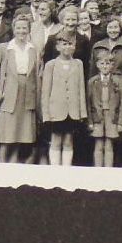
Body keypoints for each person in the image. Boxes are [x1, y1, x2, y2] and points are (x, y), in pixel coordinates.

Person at [0, 16, 40, 163]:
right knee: (7, 130)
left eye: (24, 28)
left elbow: (36, 74)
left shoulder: (33, 49)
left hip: (27, 92)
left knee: (21, 130)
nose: (21, 31)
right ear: (13, 29)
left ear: (29, 30)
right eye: (18, 28)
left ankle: (14, 161)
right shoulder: (4, 48)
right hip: (9, 92)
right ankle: (2, 161)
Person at [40, 33, 87, 166]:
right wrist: (46, 114)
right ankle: (55, 171)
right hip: (56, 110)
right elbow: (45, 92)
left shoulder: (78, 64)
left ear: (74, 46)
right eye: (64, 44)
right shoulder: (51, 65)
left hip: (72, 111)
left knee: (68, 141)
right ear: (57, 47)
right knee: (56, 140)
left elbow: (81, 89)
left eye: (70, 44)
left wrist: (82, 112)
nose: (67, 47)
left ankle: (66, 170)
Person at [87, 52, 122, 168]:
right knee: (98, 145)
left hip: (112, 118)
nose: (105, 66)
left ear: (112, 65)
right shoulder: (92, 82)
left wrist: (121, 123)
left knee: (109, 145)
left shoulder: (118, 82)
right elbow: (88, 103)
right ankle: (98, 170)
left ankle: (108, 171)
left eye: (108, 64)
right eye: (102, 63)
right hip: (97, 117)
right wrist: (90, 121)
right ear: (97, 64)